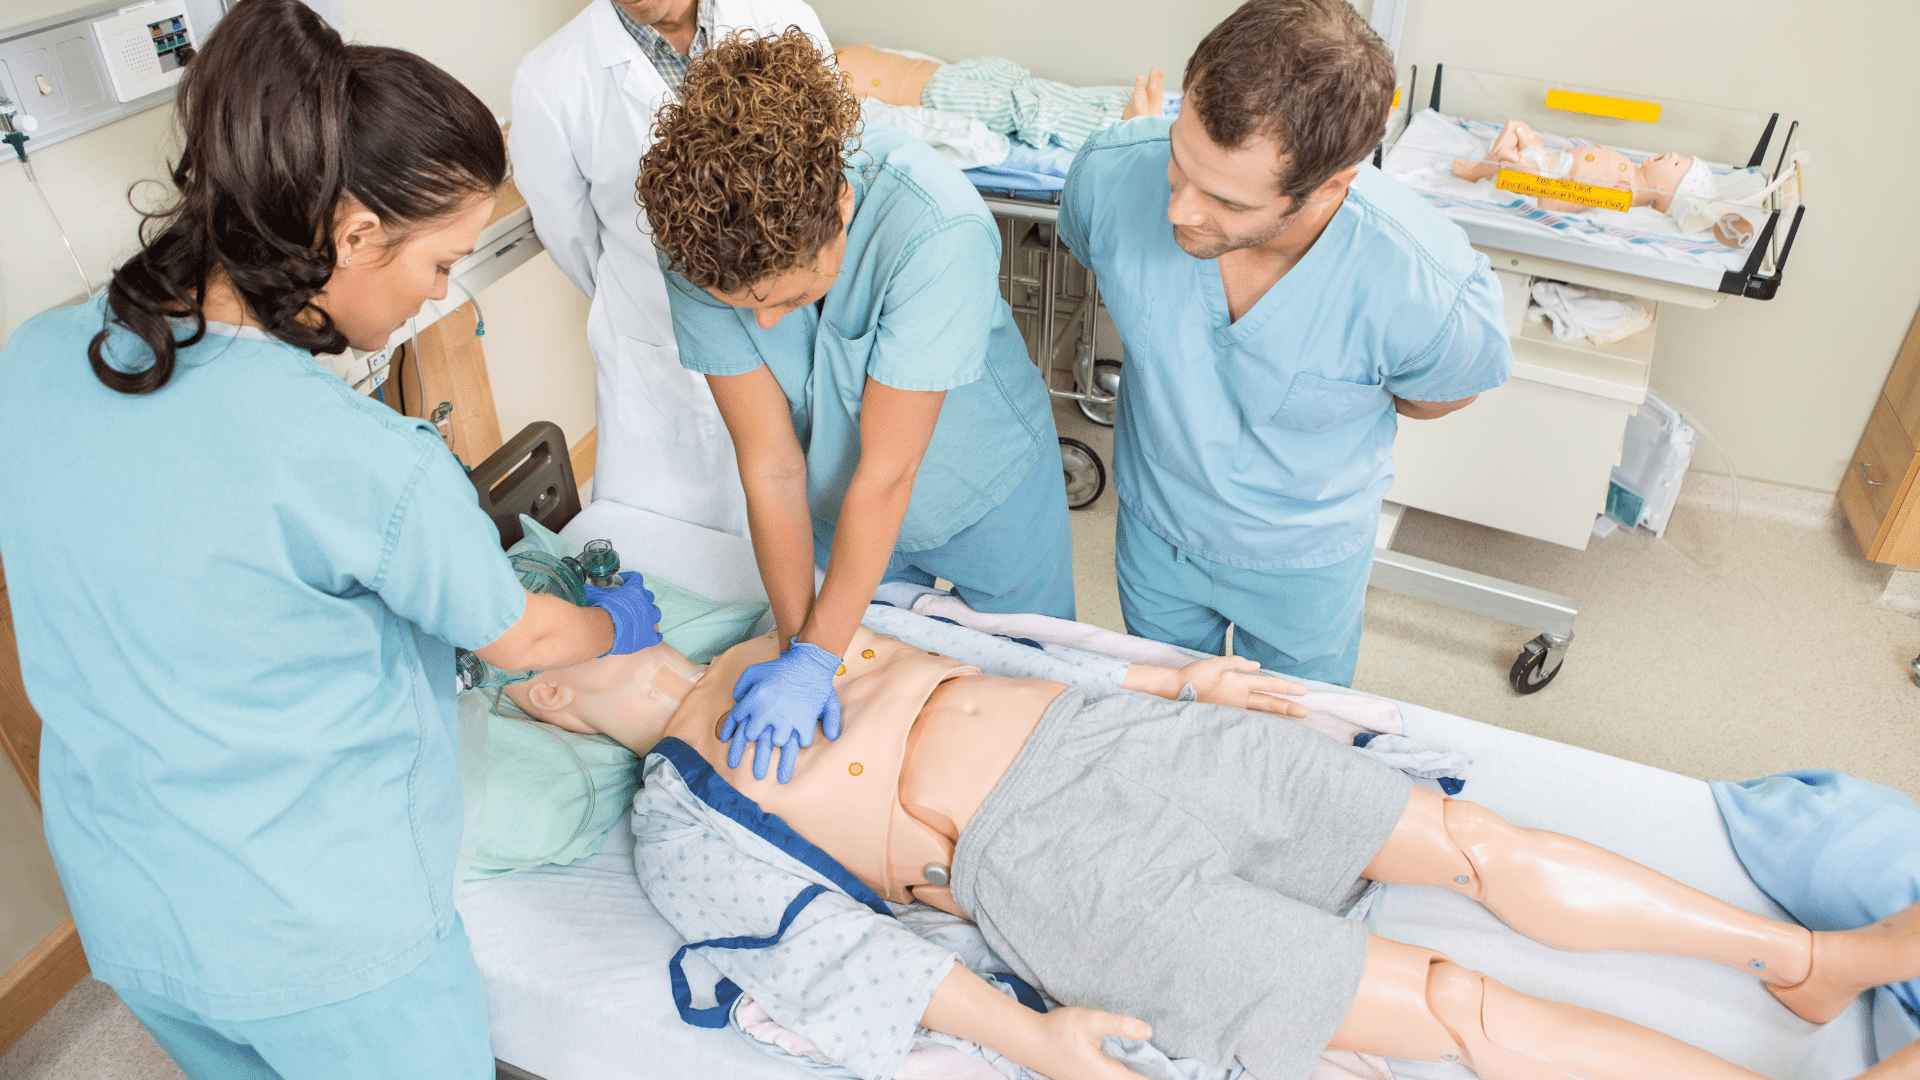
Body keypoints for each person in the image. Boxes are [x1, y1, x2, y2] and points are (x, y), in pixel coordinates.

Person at [0, 4, 664, 1076]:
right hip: (324, 949)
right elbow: (524, 642)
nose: (444, 289)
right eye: (441, 263)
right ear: (354, 237)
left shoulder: (32, 359)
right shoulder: (362, 459)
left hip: (134, 908)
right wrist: (611, 620)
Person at [500, 623, 1920, 1080]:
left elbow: (961, 657)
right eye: (537, 636)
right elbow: (827, 956)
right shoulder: (677, 817)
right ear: (541, 702)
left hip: (1128, 743)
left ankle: (1809, 958)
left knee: (1473, 841)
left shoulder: (781, 633)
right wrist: (1031, 1038)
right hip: (1053, 872)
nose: (584, 623)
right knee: (1443, 1002)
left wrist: (1181, 686)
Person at [636, 30, 1074, 783]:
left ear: (841, 206)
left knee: (1036, 683)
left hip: (980, 482)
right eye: (744, 309)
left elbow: (887, 476)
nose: (767, 325)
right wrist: (797, 641)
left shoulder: (936, 228)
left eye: (793, 299)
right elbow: (770, 465)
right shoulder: (698, 246)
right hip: (835, 493)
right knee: (860, 664)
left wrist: (816, 655)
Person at [1059, 0, 1514, 688]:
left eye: (1230, 203)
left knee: (1298, 731)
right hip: (1155, 527)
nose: (1178, 210)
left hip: (1303, 560)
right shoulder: (1110, 177)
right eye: (1180, 164)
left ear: (1331, 186)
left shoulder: (1424, 284)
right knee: (1164, 715)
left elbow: (1435, 398)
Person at [510, 0, 829, 535]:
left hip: (788, 327)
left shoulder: (777, 15)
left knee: (807, 528)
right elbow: (572, 239)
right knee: (679, 558)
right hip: (659, 349)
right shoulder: (549, 79)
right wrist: (655, 294)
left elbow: (825, 170)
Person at [834, 43, 1170, 153]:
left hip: (946, 75)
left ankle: (1118, 106)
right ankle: (1116, 124)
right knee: (1017, 107)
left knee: (1026, 90)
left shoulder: (822, 52)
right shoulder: (822, 85)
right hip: (936, 92)